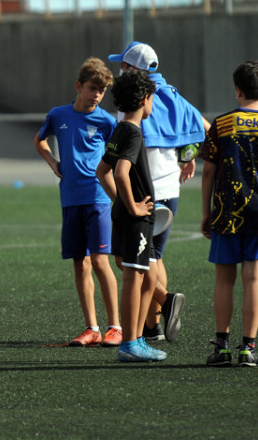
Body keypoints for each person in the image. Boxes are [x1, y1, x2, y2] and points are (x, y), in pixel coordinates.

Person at [109, 41, 208, 343]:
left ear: (132, 69)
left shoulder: (135, 99)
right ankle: (153, 327)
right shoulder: (174, 95)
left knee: (133, 261)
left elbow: (121, 162)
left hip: (142, 192)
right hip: (169, 191)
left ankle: (160, 308)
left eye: (123, 65)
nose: (119, 70)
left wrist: (123, 199)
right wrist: (187, 157)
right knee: (153, 258)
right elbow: (206, 129)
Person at [199, 60, 258, 367]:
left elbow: (208, 172)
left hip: (226, 210)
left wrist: (206, 211)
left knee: (224, 280)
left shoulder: (221, 124)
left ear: (238, 90)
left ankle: (222, 347)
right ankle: (248, 348)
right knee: (254, 280)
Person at [35, 57, 122, 347]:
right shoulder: (58, 115)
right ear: (78, 86)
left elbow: (119, 157)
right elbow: (40, 141)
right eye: (93, 88)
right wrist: (52, 162)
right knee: (80, 264)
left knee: (100, 261)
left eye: (102, 90)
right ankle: (92, 328)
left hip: (98, 198)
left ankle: (116, 327)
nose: (97, 94)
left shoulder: (107, 121)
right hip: (70, 199)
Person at [96, 69, 166, 362]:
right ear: (145, 99)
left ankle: (136, 339)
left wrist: (122, 203)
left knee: (146, 278)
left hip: (128, 216)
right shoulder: (134, 132)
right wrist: (134, 206)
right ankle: (130, 344)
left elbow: (102, 172)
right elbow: (121, 171)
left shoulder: (121, 128)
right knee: (134, 278)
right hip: (137, 218)